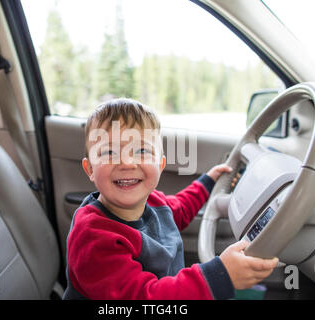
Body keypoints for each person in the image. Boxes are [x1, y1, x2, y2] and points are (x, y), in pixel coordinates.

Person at [63, 98, 278, 300]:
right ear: (90, 169)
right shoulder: (92, 236)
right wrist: (218, 277)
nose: (127, 163)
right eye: (109, 152)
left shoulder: (154, 203)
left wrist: (209, 181)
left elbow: (181, 208)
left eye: (141, 151)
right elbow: (146, 297)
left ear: (160, 164)